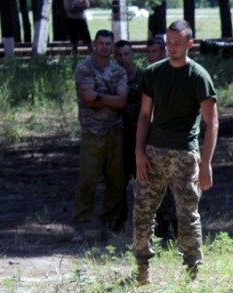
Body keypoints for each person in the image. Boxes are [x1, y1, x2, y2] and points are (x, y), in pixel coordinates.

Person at [132, 20, 218, 284]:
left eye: (177, 43)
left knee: (188, 214)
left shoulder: (198, 76)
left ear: (189, 44)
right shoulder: (153, 73)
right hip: (154, 152)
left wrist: (206, 164)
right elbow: (145, 115)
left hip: (185, 156)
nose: (172, 48)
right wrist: (139, 151)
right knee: (143, 211)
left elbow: (212, 122)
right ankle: (142, 270)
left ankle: (192, 273)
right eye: (168, 43)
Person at [71, 29, 128, 243]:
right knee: (88, 180)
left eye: (108, 43)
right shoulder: (84, 68)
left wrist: (99, 96)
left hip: (114, 131)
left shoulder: (118, 71)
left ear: (113, 46)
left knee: (116, 181)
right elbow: (87, 99)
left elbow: (121, 102)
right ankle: (80, 225)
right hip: (92, 132)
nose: (105, 47)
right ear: (95, 45)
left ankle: (108, 224)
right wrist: (107, 98)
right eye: (101, 43)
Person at [144, 36, 178, 241]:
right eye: (149, 52)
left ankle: (177, 227)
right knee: (154, 186)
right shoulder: (148, 76)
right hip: (151, 140)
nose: (151, 56)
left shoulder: (174, 74)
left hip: (173, 140)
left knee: (175, 187)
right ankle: (161, 226)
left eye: (155, 51)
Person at [114, 40, 143, 234]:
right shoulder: (114, 76)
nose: (123, 58)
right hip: (119, 135)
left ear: (132, 55)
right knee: (119, 180)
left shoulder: (143, 76)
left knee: (144, 181)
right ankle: (120, 219)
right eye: (119, 55)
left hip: (140, 135)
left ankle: (148, 221)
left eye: (126, 54)